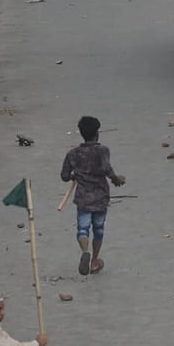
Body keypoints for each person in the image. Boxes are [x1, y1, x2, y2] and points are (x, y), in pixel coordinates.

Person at [60, 115, 125, 276]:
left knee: (83, 229)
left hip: (83, 198)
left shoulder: (72, 154)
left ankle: (84, 251)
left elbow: (64, 176)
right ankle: (94, 261)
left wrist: (75, 175)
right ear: (97, 134)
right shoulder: (102, 151)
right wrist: (117, 179)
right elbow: (106, 169)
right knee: (98, 229)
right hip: (100, 197)